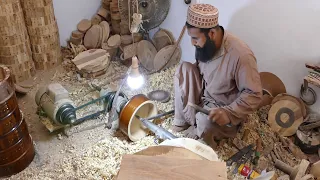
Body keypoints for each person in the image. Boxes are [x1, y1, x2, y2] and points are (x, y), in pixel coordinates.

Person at [171, 4, 263, 148]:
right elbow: (201, 72)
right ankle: (183, 122)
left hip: (222, 108)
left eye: (195, 38)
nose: (192, 43)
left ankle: (200, 128)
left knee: (205, 122)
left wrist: (228, 112)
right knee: (183, 70)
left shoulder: (241, 55)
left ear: (212, 33)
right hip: (205, 95)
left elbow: (254, 94)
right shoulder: (206, 45)